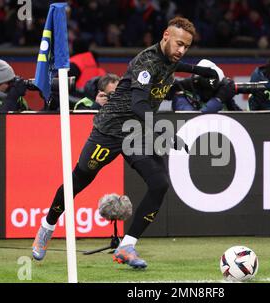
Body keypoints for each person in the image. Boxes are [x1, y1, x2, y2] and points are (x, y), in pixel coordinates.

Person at [32, 17, 218, 268]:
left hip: (137, 132)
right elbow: (138, 103)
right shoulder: (146, 62)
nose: (182, 50)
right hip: (109, 130)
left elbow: (175, 65)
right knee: (80, 178)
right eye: (178, 44)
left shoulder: (169, 58)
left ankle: (127, 246)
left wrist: (198, 70)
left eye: (187, 46)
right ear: (165, 35)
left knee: (159, 183)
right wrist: (163, 132)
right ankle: (47, 227)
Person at [172, 59, 241, 113]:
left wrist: (227, 99)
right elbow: (192, 120)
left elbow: (244, 122)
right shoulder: (183, 96)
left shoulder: (222, 93)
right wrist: (218, 100)